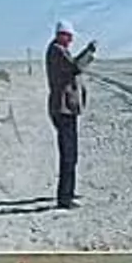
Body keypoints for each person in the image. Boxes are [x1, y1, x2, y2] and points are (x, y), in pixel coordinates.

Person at [43, 20, 96, 208]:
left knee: (71, 153)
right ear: (61, 35)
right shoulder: (57, 51)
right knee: (68, 154)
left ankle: (69, 192)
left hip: (66, 108)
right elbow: (75, 67)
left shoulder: (58, 50)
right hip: (63, 109)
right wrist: (89, 52)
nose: (71, 39)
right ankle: (64, 198)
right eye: (69, 35)